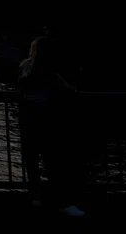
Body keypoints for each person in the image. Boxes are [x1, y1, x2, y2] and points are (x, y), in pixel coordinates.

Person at [18, 36, 85, 217]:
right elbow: (66, 89)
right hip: (46, 122)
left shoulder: (25, 67)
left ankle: (36, 197)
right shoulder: (49, 71)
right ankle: (61, 201)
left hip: (28, 121)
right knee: (53, 162)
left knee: (32, 162)